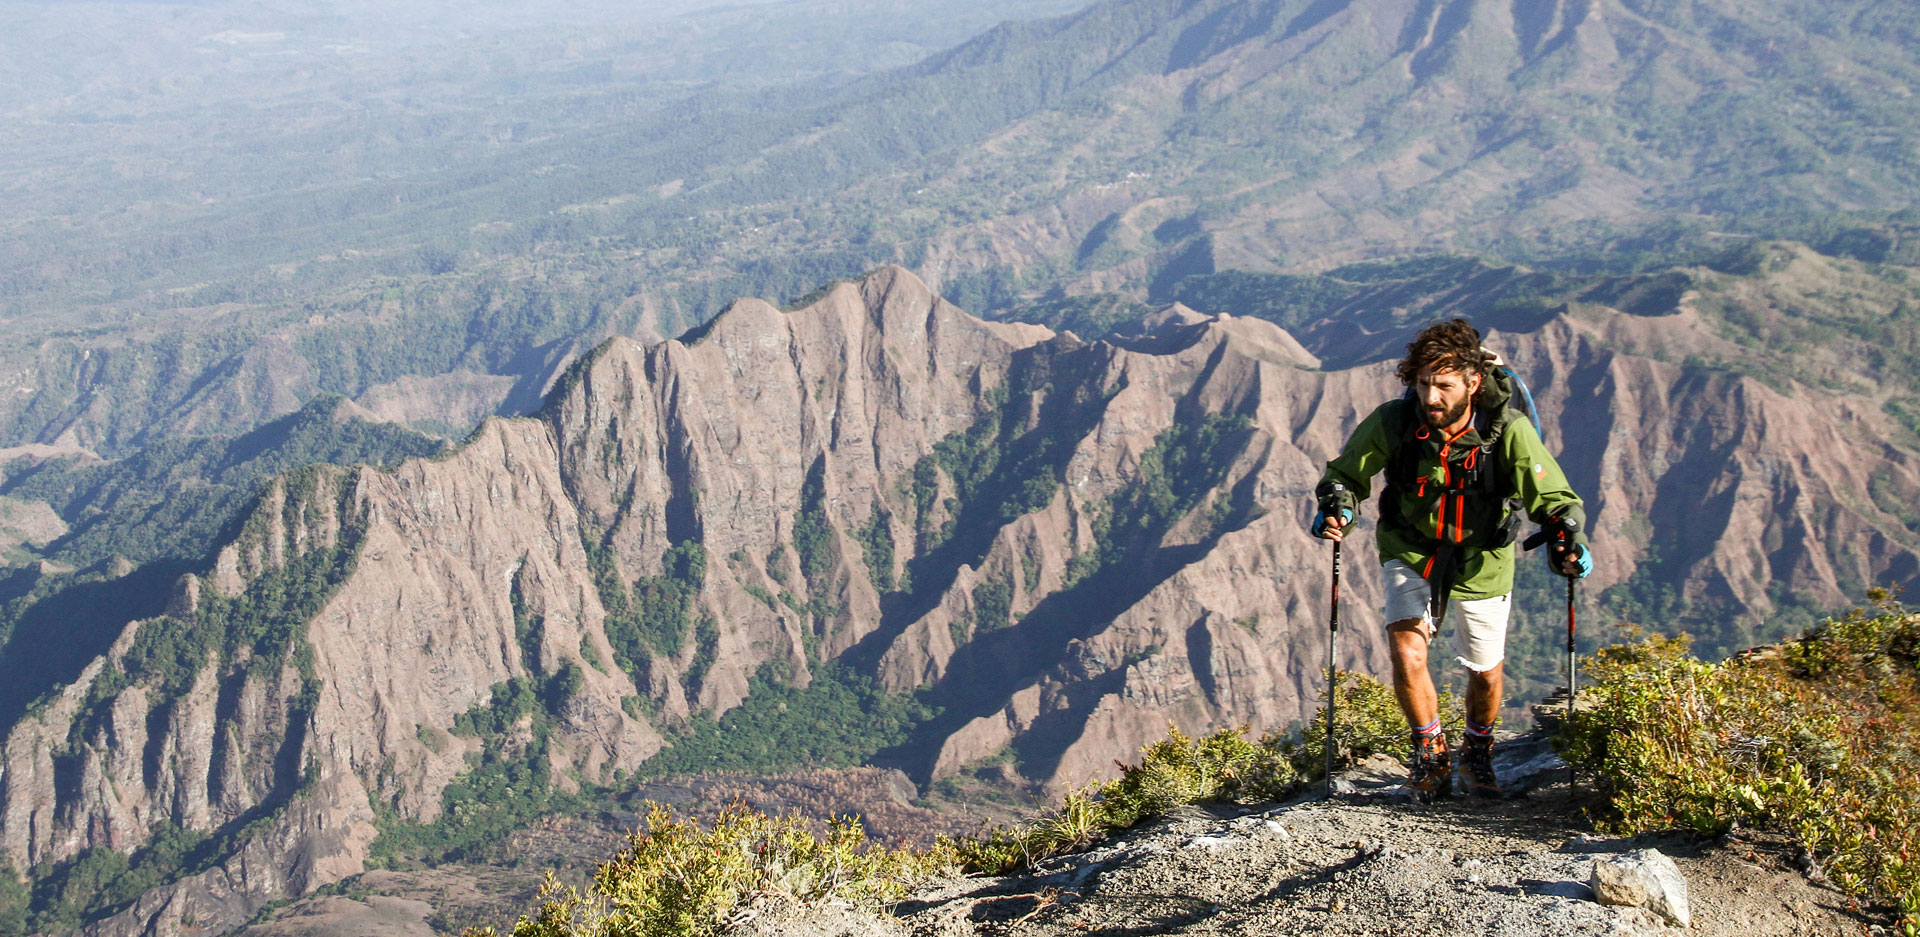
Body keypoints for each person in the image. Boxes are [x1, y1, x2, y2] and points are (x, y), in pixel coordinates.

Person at [1311, 319, 1590, 799]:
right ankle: (1431, 755)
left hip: (1484, 553)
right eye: (1423, 384)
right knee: (1406, 648)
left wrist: (1568, 536)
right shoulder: (1395, 422)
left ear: (1473, 383)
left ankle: (1478, 751)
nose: (1431, 397)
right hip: (1411, 544)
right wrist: (1338, 504)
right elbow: (1347, 472)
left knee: (1485, 671)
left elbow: (1551, 495)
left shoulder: (1507, 431)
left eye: (1443, 386)